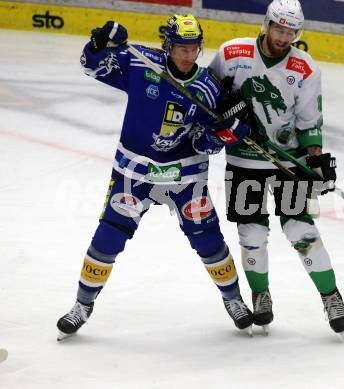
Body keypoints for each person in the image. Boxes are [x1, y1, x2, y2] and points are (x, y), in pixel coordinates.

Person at [56, 14, 253, 340]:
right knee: (108, 238)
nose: (188, 56)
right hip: (135, 173)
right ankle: (82, 305)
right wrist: (98, 45)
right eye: (181, 49)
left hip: (185, 176)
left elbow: (204, 141)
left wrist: (224, 134)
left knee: (209, 241)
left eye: (194, 49)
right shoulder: (140, 63)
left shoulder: (207, 88)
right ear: (169, 46)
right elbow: (90, 65)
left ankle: (234, 300)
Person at [209, 0, 344, 336]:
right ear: (267, 24)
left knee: (302, 231)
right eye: (279, 29)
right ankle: (261, 295)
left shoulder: (305, 68)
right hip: (243, 160)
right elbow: (208, 96)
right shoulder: (231, 54)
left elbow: (308, 121)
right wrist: (223, 113)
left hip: (288, 158)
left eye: (291, 32)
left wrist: (314, 159)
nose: (284, 37)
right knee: (251, 233)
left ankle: (331, 297)